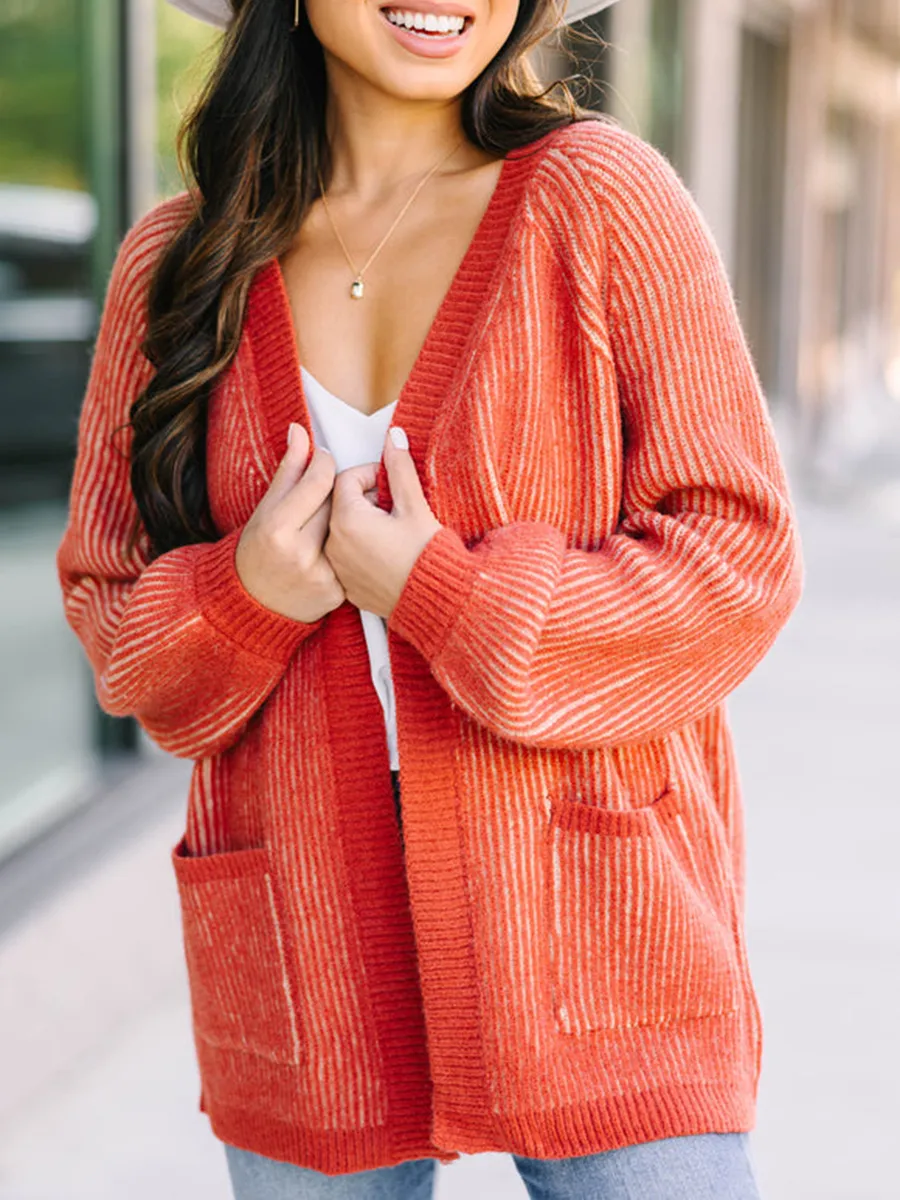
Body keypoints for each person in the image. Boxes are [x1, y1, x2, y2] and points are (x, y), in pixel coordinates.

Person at [56, 1, 804, 1197]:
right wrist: (244, 597)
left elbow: (741, 561)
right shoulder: (180, 263)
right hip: (305, 962)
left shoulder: (602, 200)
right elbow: (110, 613)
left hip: (601, 938)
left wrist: (446, 598)